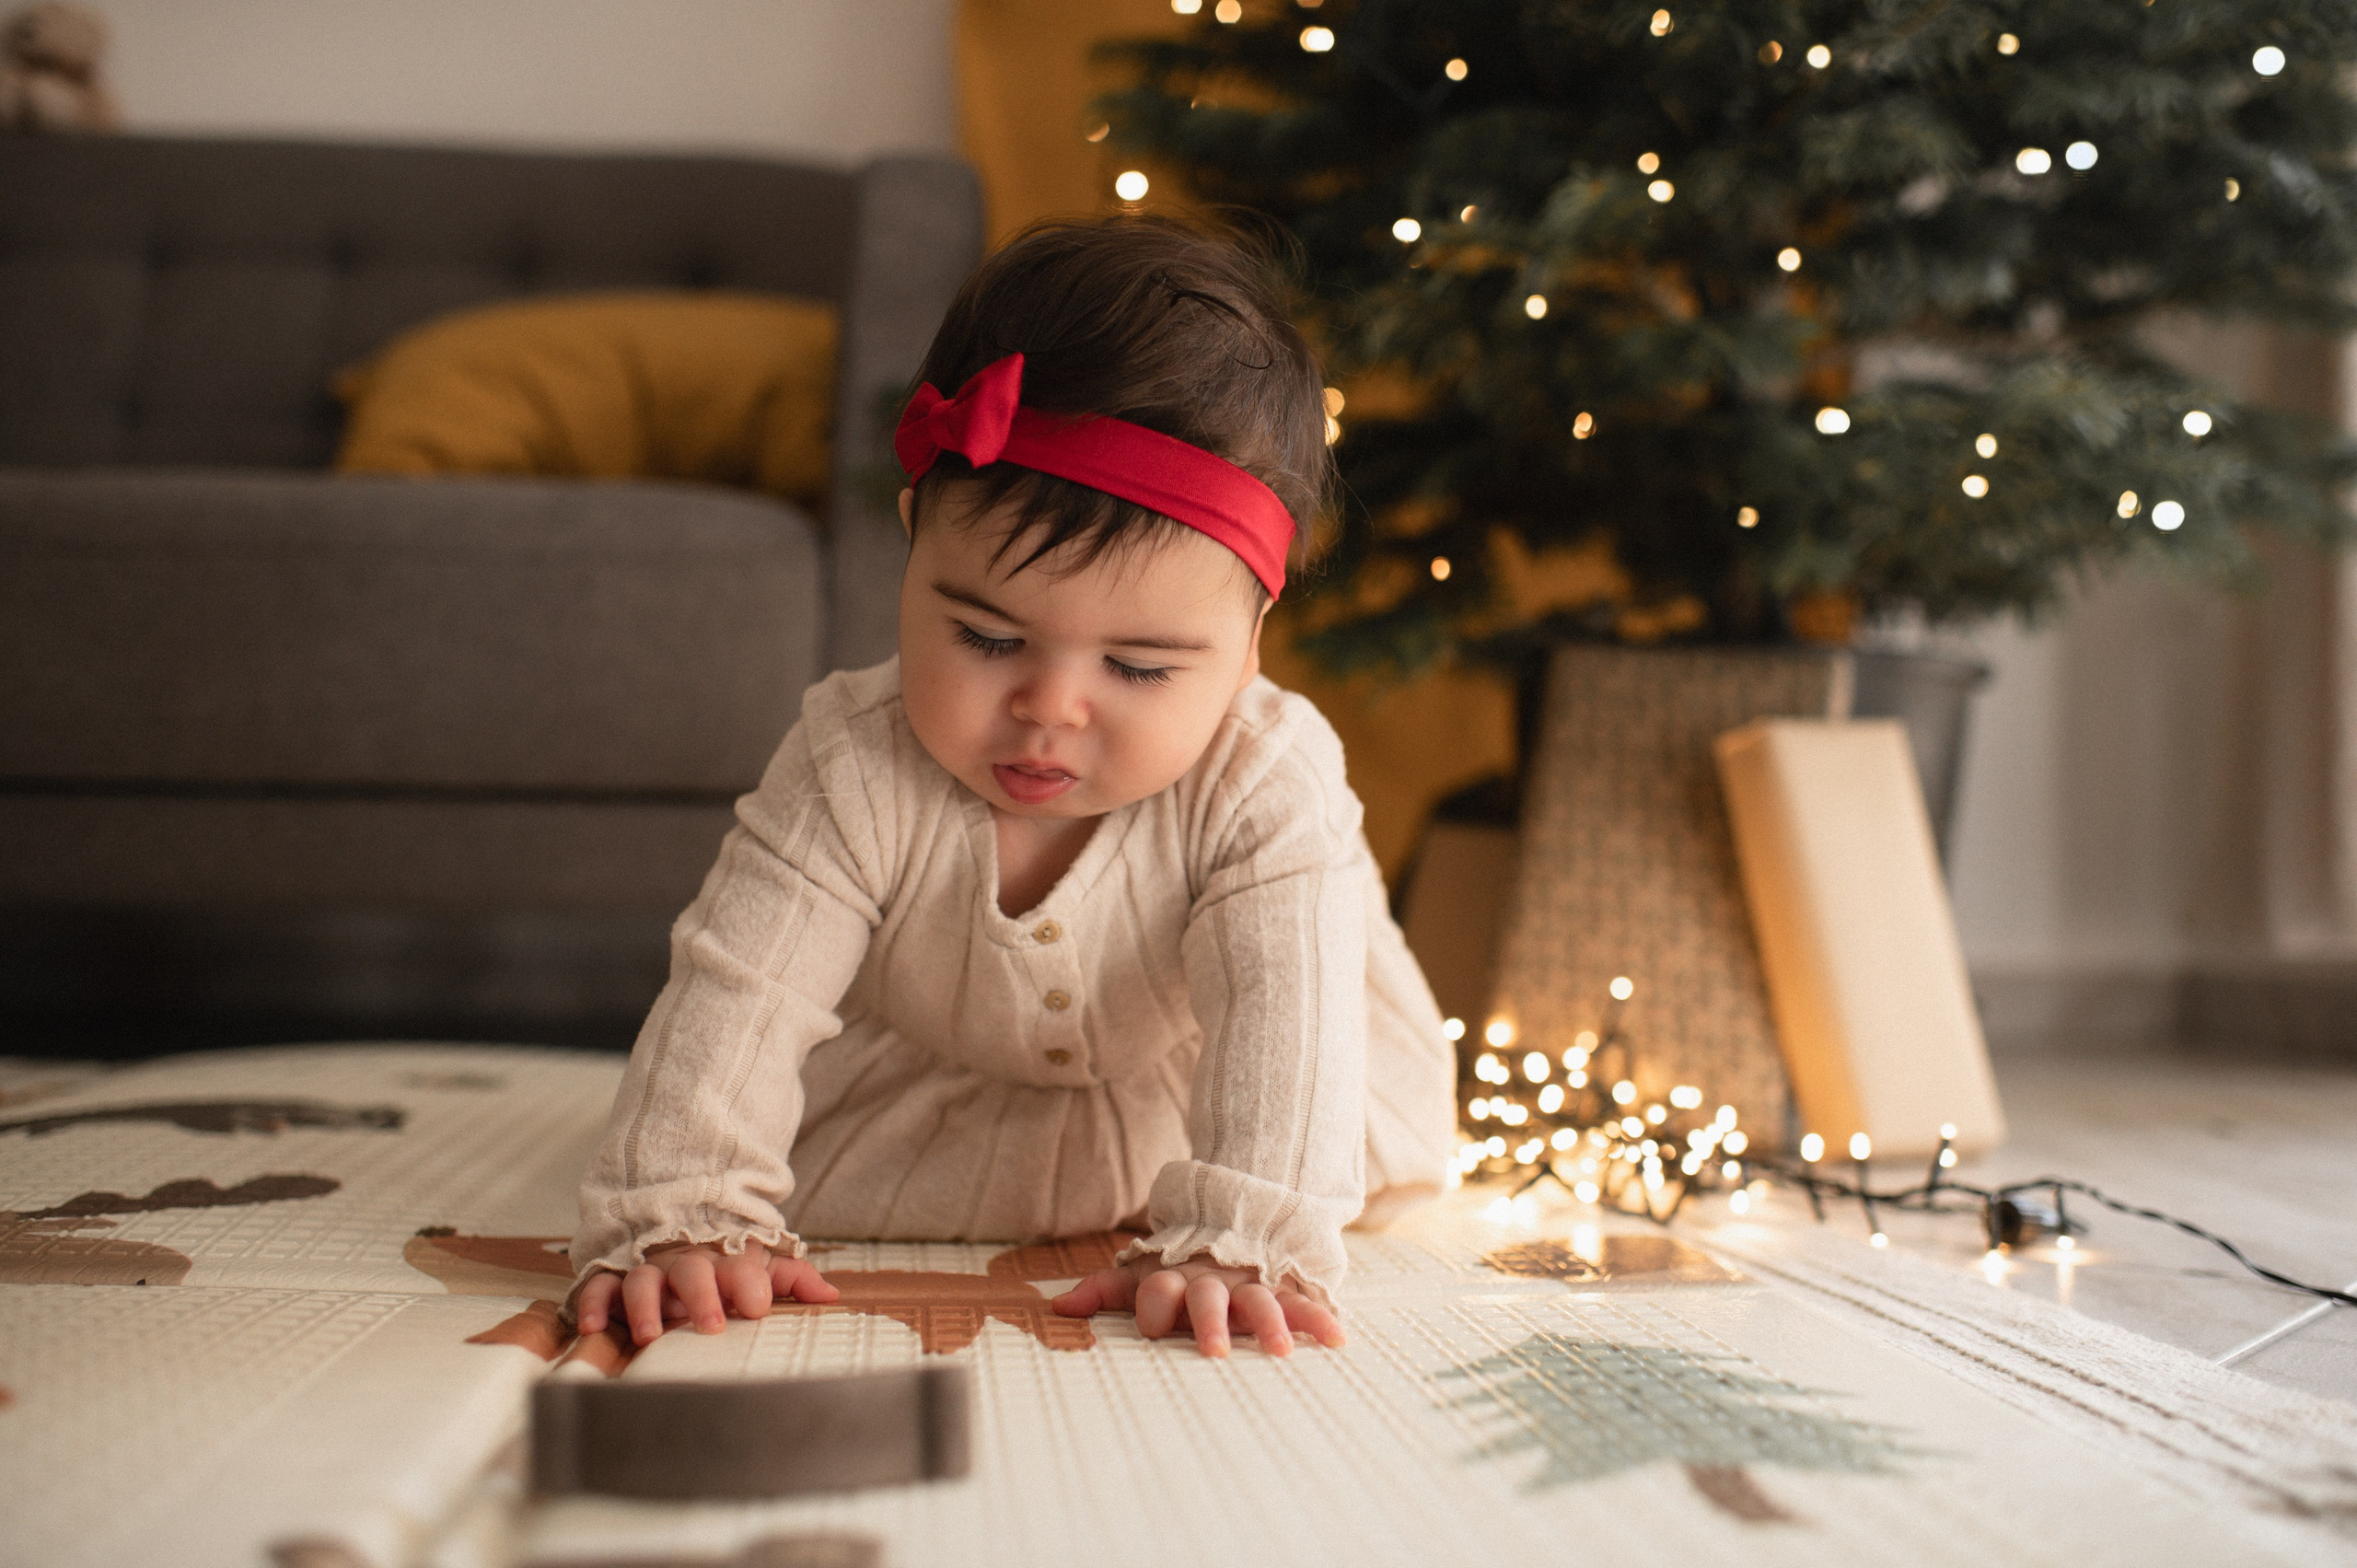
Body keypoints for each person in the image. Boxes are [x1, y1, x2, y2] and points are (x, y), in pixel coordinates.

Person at [569, 216, 1457, 1359]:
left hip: (1223, 1092)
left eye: (1137, 666)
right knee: (769, 1161)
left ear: (1248, 642)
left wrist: (1238, 1243)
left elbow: (1288, 1018)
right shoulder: (853, 760)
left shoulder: (1262, 776)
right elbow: (738, 992)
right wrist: (681, 1211)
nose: (1050, 705)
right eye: (986, 636)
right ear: (912, 548)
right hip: (933, 1092)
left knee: (1305, 1141)